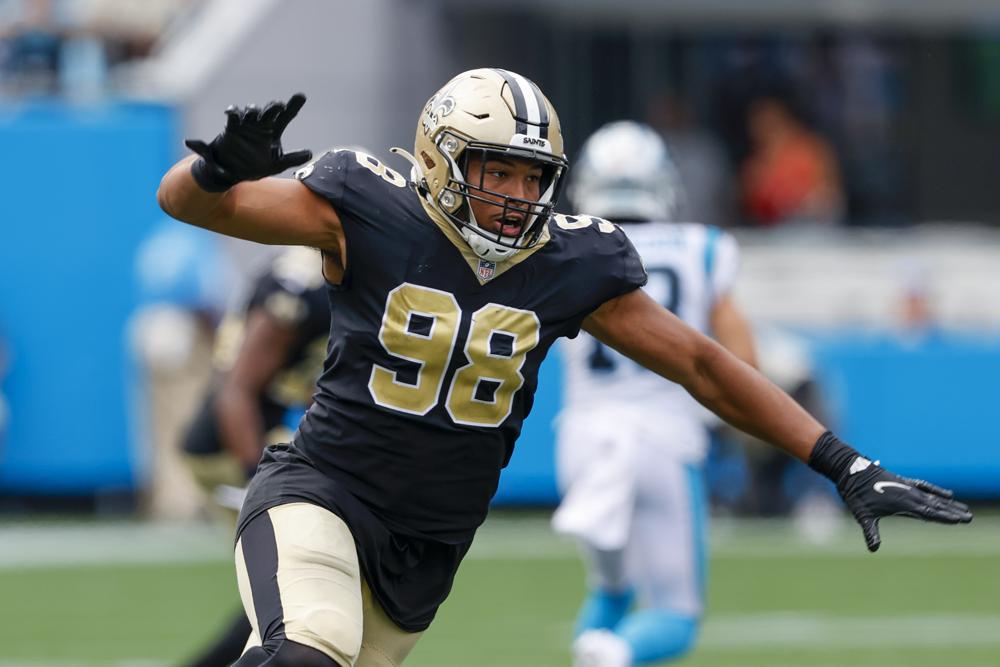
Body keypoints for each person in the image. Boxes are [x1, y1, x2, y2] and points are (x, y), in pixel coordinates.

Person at [156, 68, 971, 667]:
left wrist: (841, 462)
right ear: (440, 160)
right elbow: (188, 203)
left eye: (530, 175)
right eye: (495, 170)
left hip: (428, 545)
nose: (515, 193)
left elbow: (701, 361)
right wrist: (219, 168)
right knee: (302, 656)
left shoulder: (565, 261)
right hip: (321, 493)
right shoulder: (370, 208)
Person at [552, 121, 757, 666]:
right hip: (663, 439)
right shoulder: (704, 247)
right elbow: (744, 364)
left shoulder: (562, 243)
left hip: (582, 438)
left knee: (613, 592)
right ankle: (613, 655)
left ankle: (599, 649)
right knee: (676, 615)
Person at [179, 245, 330, 667]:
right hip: (232, 447)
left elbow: (311, 381)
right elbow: (236, 391)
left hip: (262, 440)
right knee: (288, 596)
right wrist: (256, 478)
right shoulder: (301, 283)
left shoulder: (331, 269)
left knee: (292, 598)